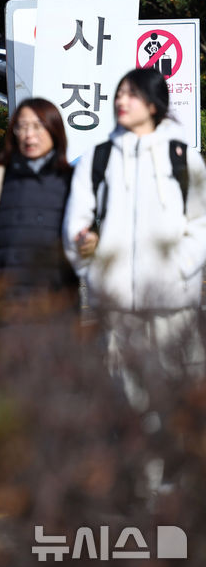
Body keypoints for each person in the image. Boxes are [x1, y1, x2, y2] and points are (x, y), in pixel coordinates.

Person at [63, 69, 206, 431]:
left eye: (132, 95)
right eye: (119, 93)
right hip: (116, 305)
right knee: (125, 402)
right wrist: (95, 271)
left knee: (176, 398)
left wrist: (180, 267)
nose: (121, 101)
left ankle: (174, 481)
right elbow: (74, 226)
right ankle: (142, 486)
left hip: (173, 303)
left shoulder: (184, 159)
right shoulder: (98, 157)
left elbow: (201, 224)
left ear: (155, 104)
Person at [0, 98, 77, 313]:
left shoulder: (73, 182)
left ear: (55, 130)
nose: (29, 135)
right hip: (1, 311)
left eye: (38, 126)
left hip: (56, 310)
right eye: (21, 127)